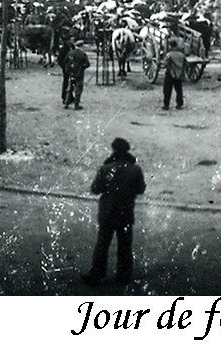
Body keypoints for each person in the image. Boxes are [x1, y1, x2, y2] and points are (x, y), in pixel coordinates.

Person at [82, 137, 147, 286]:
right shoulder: (135, 169)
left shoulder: (106, 168)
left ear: (114, 150)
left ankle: (97, 274)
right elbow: (141, 189)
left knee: (103, 244)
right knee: (125, 245)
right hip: (126, 212)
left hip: (107, 212)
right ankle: (123, 276)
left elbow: (95, 189)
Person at [64, 40, 91, 109]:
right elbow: (87, 64)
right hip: (79, 73)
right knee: (78, 88)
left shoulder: (70, 53)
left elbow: (65, 61)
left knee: (70, 88)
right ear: (81, 46)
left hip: (71, 73)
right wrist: (82, 67)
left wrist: (68, 69)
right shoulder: (82, 54)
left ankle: (66, 103)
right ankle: (76, 104)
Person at [163, 37, 186, 109]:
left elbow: (165, 64)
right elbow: (185, 64)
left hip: (170, 73)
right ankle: (179, 104)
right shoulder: (181, 55)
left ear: (170, 45)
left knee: (167, 89)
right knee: (179, 89)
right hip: (179, 73)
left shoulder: (169, 54)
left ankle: (166, 105)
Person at [57, 36, 75, 105]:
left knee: (73, 82)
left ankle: (71, 96)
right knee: (66, 82)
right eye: (71, 40)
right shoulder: (63, 49)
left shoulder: (72, 47)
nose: (72, 41)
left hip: (73, 68)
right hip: (66, 68)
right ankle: (65, 97)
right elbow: (59, 60)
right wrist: (64, 67)